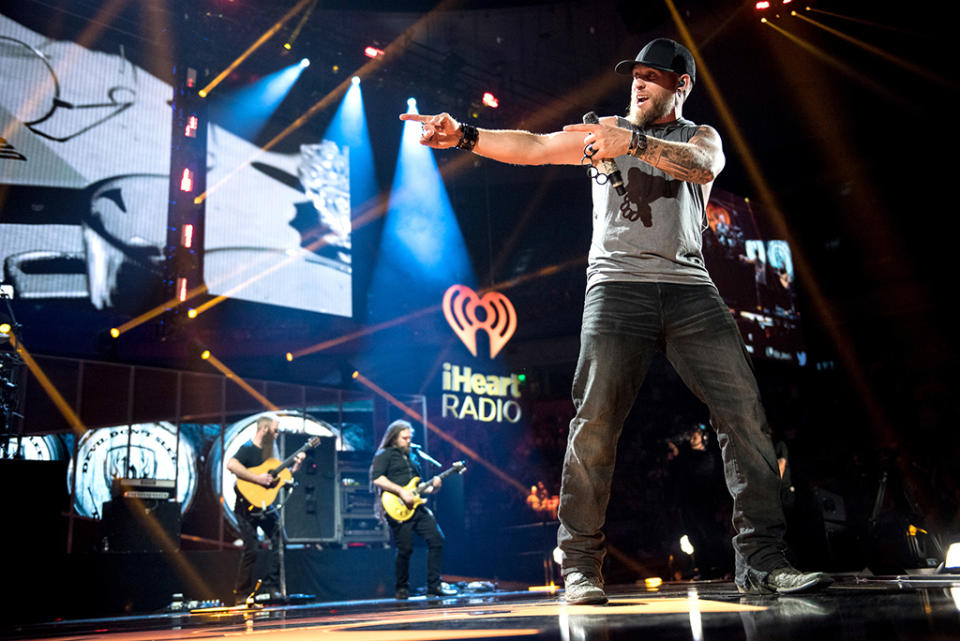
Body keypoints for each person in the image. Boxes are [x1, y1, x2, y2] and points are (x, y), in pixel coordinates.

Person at [402, 37, 831, 603]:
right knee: (595, 423)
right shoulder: (598, 133)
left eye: (653, 76)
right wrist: (465, 135)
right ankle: (580, 566)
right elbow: (532, 146)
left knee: (745, 416)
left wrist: (629, 141)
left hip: (690, 289)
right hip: (615, 288)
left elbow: (701, 168)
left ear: (681, 85)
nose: (639, 83)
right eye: (636, 75)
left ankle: (762, 561)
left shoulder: (697, 136)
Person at [370, 419, 454, 599]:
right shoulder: (385, 455)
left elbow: (420, 487)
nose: (408, 441)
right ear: (394, 438)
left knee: (437, 539)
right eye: (404, 438)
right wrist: (401, 492)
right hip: (397, 505)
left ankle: (434, 586)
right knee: (405, 548)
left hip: (417, 507)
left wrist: (435, 486)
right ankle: (401, 588)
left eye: (409, 438)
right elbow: (377, 479)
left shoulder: (413, 457)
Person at [227, 414, 305, 605]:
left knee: (279, 541)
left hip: (265, 506)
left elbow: (283, 481)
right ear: (264, 430)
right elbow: (231, 464)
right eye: (275, 431)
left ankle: (272, 587)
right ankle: (241, 593)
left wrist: (296, 466)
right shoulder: (247, 448)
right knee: (251, 548)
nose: (278, 434)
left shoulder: (270, 454)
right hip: (245, 508)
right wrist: (257, 479)